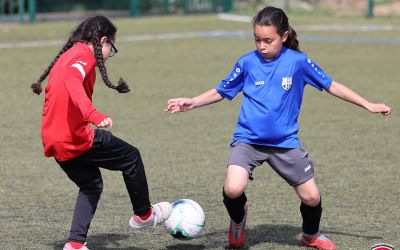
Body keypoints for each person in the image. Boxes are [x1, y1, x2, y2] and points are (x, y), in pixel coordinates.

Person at [165, 6, 391, 250]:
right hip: (248, 140)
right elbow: (222, 90)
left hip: (284, 144)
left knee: (312, 197)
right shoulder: (247, 62)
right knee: (233, 188)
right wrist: (193, 101)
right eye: (257, 39)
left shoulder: (298, 62)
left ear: (284, 36)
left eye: (268, 40)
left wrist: (367, 104)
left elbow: (332, 85)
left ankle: (310, 235)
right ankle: (238, 219)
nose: (261, 46)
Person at [31, 16, 171, 250]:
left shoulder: (68, 54)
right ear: (103, 41)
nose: (109, 53)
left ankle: (75, 244)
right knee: (131, 157)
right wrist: (93, 114)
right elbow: (72, 80)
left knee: (91, 184)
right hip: (74, 137)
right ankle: (144, 215)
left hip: (53, 140)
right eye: (111, 48)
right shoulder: (83, 57)